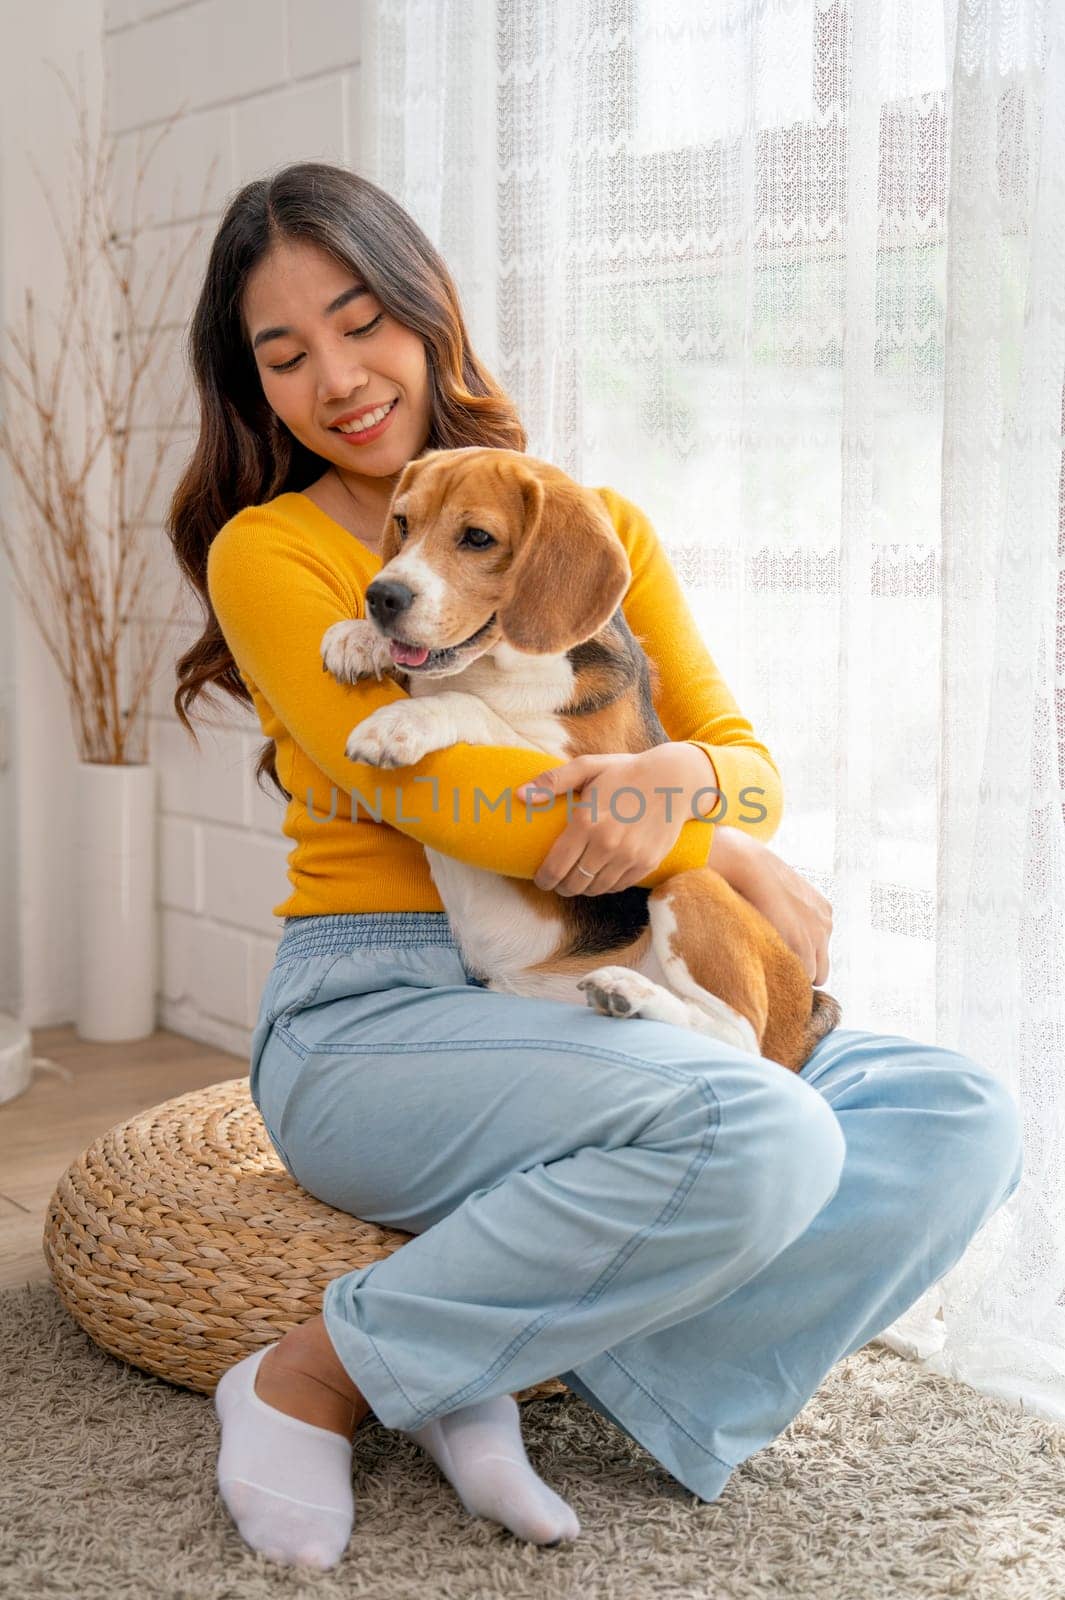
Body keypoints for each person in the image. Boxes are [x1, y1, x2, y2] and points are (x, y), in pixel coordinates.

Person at [169, 162, 1024, 1572]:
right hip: (378, 1013)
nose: (338, 376)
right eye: (284, 355)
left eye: (361, 319)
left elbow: (742, 753)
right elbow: (481, 812)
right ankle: (312, 1373)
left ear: (429, 314)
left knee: (960, 1114)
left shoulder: (594, 524)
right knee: (768, 1132)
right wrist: (710, 834)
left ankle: (527, 1364)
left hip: (614, 976)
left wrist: (705, 799)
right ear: (255, 387)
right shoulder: (273, 556)